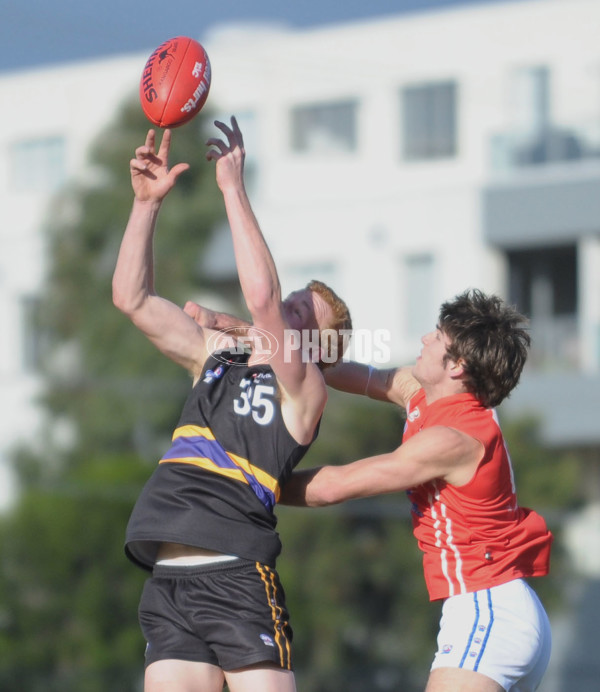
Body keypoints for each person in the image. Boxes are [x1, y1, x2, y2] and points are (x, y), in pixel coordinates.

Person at [112, 116, 351, 692]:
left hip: (237, 576)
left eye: (301, 317)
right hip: (168, 577)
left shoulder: (305, 392)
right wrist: (146, 204)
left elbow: (262, 299)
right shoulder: (217, 356)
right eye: (295, 301)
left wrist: (232, 187)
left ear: (316, 348)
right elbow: (132, 297)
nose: (286, 312)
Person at [280, 289, 553, 692]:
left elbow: (338, 485)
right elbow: (350, 373)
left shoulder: (453, 438)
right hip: (495, 607)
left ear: (457, 365)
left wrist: (249, 481)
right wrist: (280, 344)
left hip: (487, 607)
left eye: (437, 335)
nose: (425, 339)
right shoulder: (427, 394)